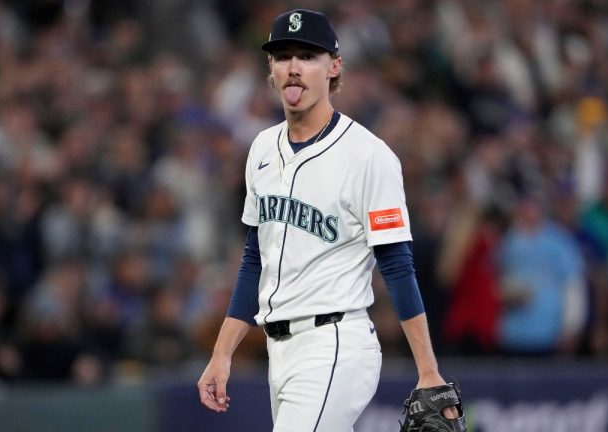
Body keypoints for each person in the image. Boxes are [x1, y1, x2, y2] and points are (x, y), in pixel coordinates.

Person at [196, 9, 458, 431]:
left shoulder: (368, 156)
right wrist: (223, 352)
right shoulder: (262, 149)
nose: (294, 68)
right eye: (283, 56)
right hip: (278, 352)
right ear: (271, 67)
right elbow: (254, 260)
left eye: (307, 56)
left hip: (335, 343)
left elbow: (396, 264)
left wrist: (428, 369)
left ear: (334, 66)